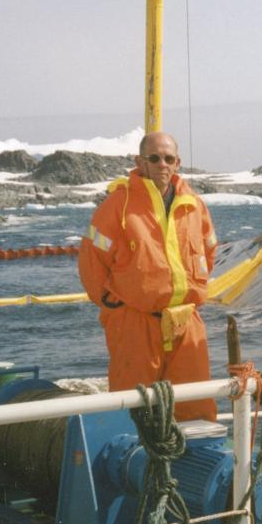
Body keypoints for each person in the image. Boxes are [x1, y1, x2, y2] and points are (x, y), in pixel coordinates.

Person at [78, 131, 218, 422]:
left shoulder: (194, 205)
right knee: (133, 409)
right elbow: (92, 261)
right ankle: (135, 466)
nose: (162, 164)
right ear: (140, 162)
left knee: (195, 407)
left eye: (168, 158)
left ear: (177, 162)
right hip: (135, 323)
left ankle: (191, 464)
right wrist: (113, 304)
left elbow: (208, 250)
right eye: (154, 158)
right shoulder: (118, 205)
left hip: (186, 322)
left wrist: (193, 289)